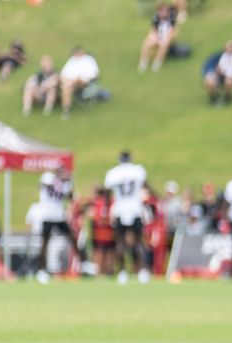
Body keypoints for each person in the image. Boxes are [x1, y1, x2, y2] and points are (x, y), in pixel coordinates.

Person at [104, 151, 151, 284]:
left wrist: (106, 209)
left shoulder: (113, 173)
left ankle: (123, 272)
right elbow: (146, 186)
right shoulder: (137, 170)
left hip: (119, 209)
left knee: (120, 243)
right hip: (135, 209)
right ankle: (142, 271)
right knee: (139, 242)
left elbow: (107, 193)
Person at [32, 167, 84, 282]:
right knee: (45, 242)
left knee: (72, 238)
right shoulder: (48, 177)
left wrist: (70, 182)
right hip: (46, 214)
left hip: (58, 215)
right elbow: (43, 185)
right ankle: (41, 269)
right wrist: (61, 180)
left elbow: (70, 197)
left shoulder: (66, 183)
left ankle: (82, 262)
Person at [59, 46, 100, 119]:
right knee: (67, 87)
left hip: (84, 82)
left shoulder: (89, 60)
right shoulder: (72, 60)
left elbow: (94, 74)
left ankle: (66, 110)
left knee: (72, 82)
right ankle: (66, 110)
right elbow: (63, 74)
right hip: (70, 83)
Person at [203, 41, 232, 105]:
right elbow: (218, 67)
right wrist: (217, 72)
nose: (230, 49)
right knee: (209, 81)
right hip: (219, 75)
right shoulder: (223, 56)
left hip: (230, 76)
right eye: (229, 47)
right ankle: (212, 96)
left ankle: (227, 96)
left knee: (229, 82)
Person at [139, 3, 178, 73]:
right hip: (158, 36)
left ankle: (157, 62)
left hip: (167, 37)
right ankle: (143, 62)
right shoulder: (155, 18)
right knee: (146, 43)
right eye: (161, 11)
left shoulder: (171, 18)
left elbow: (173, 31)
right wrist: (155, 37)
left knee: (164, 43)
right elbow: (153, 31)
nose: (163, 13)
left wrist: (168, 37)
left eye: (165, 11)